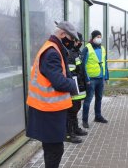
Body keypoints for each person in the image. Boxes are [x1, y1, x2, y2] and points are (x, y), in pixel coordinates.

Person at [26, 21, 79, 168]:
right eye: (71, 39)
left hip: (48, 109)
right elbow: (59, 82)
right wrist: (74, 84)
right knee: (54, 151)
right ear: (62, 35)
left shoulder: (52, 48)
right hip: (48, 110)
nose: (72, 42)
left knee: (52, 149)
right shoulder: (52, 53)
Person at [81, 30, 109, 128]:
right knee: (88, 100)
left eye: (100, 37)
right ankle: (84, 120)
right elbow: (82, 65)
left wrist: (106, 77)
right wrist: (86, 79)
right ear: (92, 38)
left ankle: (98, 116)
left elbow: (105, 63)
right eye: (97, 36)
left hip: (100, 78)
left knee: (99, 98)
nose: (99, 38)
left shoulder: (102, 48)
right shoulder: (87, 49)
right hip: (91, 79)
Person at [65, 32, 88, 144]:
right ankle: (69, 134)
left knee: (76, 108)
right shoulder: (69, 53)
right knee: (71, 110)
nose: (79, 43)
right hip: (74, 86)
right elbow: (71, 72)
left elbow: (80, 69)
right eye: (78, 41)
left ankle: (75, 129)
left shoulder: (76, 52)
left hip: (79, 85)